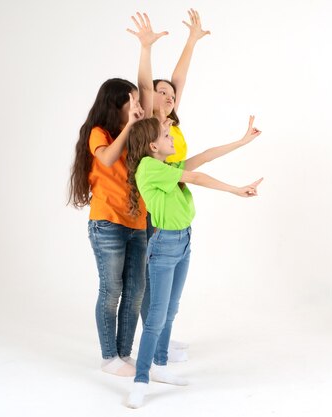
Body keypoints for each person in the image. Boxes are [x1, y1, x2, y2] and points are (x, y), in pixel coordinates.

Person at [125, 116, 263, 408]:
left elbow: (202, 158)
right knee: (156, 318)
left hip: (184, 241)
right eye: (166, 135)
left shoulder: (164, 166)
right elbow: (196, 178)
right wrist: (236, 190)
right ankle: (140, 380)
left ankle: (160, 365)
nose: (172, 138)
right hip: (164, 246)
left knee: (171, 310)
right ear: (152, 145)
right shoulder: (149, 167)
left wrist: (241, 142)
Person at [127, 9, 210, 360]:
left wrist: (192, 41)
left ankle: (161, 337)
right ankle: (153, 338)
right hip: (156, 206)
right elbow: (148, 85)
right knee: (154, 278)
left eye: (172, 95)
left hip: (175, 198)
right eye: (164, 93)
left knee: (166, 282)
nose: (170, 95)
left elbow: (179, 80)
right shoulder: (148, 122)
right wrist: (146, 49)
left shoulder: (171, 126)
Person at [68, 79, 147, 376]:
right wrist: (129, 126)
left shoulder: (136, 131)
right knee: (112, 289)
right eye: (133, 101)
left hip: (137, 222)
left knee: (135, 290)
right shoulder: (98, 133)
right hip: (107, 223)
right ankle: (108, 357)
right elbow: (108, 157)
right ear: (117, 105)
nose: (138, 107)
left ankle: (124, 354)